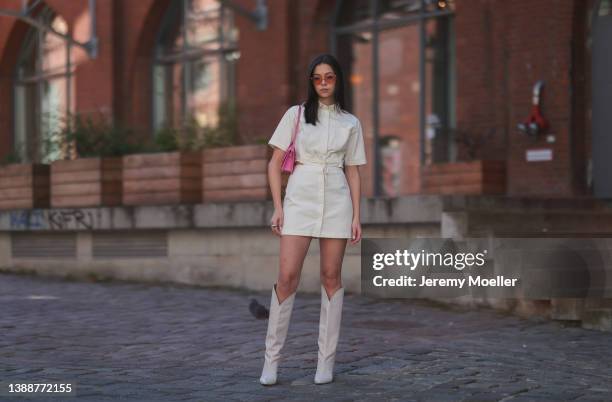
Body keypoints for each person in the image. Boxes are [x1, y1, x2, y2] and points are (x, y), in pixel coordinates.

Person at [260, 53, 367, 385]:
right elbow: (274, 164)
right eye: (317, 77)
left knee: (331, 277)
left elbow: (353, 171)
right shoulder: (295, 115)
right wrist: (278, 207)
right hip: (299, 201)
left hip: (337, 202)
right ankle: (271, 361)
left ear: (338, 80)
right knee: (287, 276)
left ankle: (326, 362)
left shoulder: (351, 122)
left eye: (329, 77)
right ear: (311, 81)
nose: (323, 83)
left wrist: (356, 216)